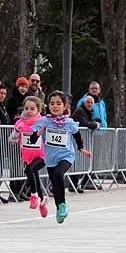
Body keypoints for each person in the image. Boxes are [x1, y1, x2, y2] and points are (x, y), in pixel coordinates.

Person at [29, 91, 93, 224]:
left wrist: (81, 148)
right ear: (48, 105)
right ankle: (59, 208)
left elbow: (77, 135)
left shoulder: (69, 122)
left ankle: (63, 205)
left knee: (59, 175)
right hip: (50, 158)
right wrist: (39, 132)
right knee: (55, 185)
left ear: (64, 106)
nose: (55, 106)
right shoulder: (44, 121)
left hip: (66, 156)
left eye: (59, 103)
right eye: (52, 103)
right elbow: (32, 138)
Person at [12, 96, 48, 217]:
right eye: (26, 108)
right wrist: (16, 133)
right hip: (28, 156)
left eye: (32, 108)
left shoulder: (42, 122)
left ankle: (34, 196)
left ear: (38, 109)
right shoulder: (20, 123)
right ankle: (42, 201)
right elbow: (12, 138)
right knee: (35, 176)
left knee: (29, 170)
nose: (29, 111)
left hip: (42, 155)